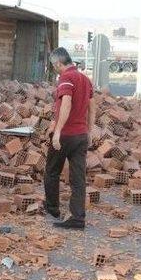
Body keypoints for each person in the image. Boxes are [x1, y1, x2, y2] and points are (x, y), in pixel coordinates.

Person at [43, 47, 96, 230]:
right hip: (81, 136)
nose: (54, 69)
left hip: (66, 135)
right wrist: (89, 131)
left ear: (59, 63)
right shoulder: (85, 79)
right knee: (78, 178)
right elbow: (92, 107)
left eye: (54, 66)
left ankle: (53, 209)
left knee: (51, 172)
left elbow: (66, 103)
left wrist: (57, 131)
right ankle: (78, 218)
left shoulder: (66, 78)